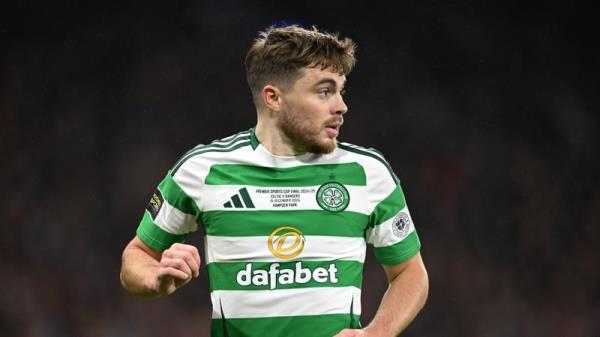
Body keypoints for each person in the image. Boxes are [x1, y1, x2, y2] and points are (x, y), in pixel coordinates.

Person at [120, 25, 428, 337]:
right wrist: (155, 276)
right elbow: (138, 255)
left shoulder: (367, 172)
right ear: (273, 97)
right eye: (324, 91)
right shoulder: (201, 170)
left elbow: (410, 272)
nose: (341, 106)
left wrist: (376, 334)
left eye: (340, 91)